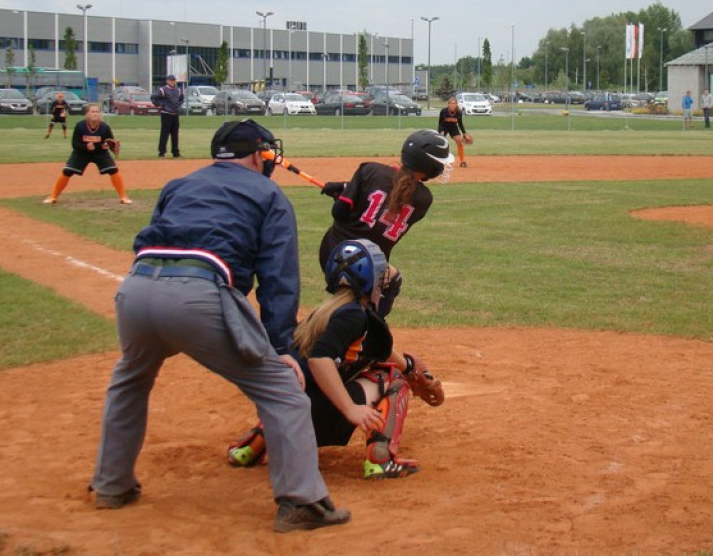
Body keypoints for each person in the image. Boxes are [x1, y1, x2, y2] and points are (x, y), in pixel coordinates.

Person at [89, 119, 351, 533]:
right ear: (258, 155)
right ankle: (302, 502)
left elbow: (148, 239)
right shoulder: (269, 194)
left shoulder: (179, 184)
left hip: (136, 290)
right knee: (284, 394)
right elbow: (278, 279)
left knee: (129, 380)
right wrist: (281, 347)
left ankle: (111, 485)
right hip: (198, 296)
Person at [231, 240, 431, 479]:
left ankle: (256, 442)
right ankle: (381, 459)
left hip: (282, 412)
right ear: (373, 281)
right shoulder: (354, 316)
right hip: (309, 415)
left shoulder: (324, 313)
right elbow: (319, 359)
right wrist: (350, 409)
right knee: (391, 376)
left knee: (318, 379)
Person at [317, 129, 454, 318]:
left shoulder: (369, 170)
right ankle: (370, 328)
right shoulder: (424, 199)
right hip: (371, 266)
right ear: (430, 167)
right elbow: (389, 197)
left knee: (348, 307)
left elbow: (339, 213)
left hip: (333, 253)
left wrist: (344, 194)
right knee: (392, 282)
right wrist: (347, 188)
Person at [44, 103, 132, 205]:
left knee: (113, 170)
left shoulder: (104, 127)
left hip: (100, 153)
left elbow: (108, 142)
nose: (95, 114)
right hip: (81, 153)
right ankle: (53, 196)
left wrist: (110, 146)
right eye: (93, 111)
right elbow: (75, 144)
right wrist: (86, 146)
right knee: (67, 171)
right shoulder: (80, 126)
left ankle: (123, 197)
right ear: (87, 114)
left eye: (98, 112)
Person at [152, 74, 183, 158]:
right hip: (166, 114)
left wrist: (178, 106)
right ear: (167, 81)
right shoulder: (163, 89)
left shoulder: (178, 90)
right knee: (164, 133)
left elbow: (181, 99)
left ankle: (175, 152)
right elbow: (154, 98)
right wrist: (161, 105)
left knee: (175, 134)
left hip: (175, 114)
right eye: (171, 80)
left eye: (173, 80)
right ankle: (162, 152)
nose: (172, 82)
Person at [437, 96, 471, 168]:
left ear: (456, 104)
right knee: (441, 143)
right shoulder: (444, 111)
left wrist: (464, 133)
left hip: (453, 128)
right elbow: (440, 123)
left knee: (460, 142)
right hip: (444, 127)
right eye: (451, 103)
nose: (453, 105)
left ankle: (462, 161)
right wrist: (441, 131)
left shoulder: (458, 112)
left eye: (454, 103)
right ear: (448, 104)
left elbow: (460, 123)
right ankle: (439, 161)